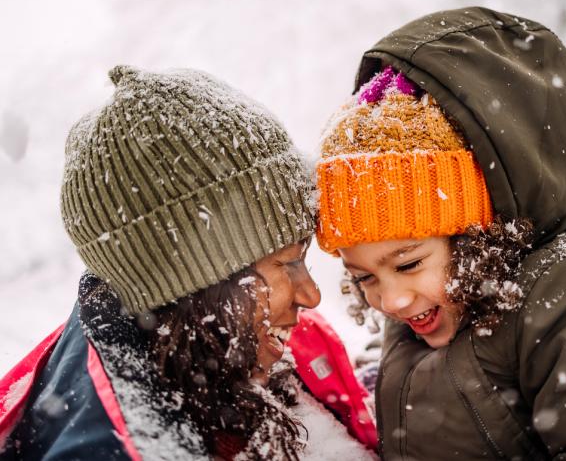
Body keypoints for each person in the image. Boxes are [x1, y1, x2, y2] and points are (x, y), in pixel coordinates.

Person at [315, 7, 566, 460]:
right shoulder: (423, 318)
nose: (390, 301)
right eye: (364, 278)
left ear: (477, 234)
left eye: (408, 263)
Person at [0, 66, 375, 460]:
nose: (311, 295)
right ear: (195, 285)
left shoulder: (219, 356)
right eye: (285, 264)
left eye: (303, 258)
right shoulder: (115, 449)